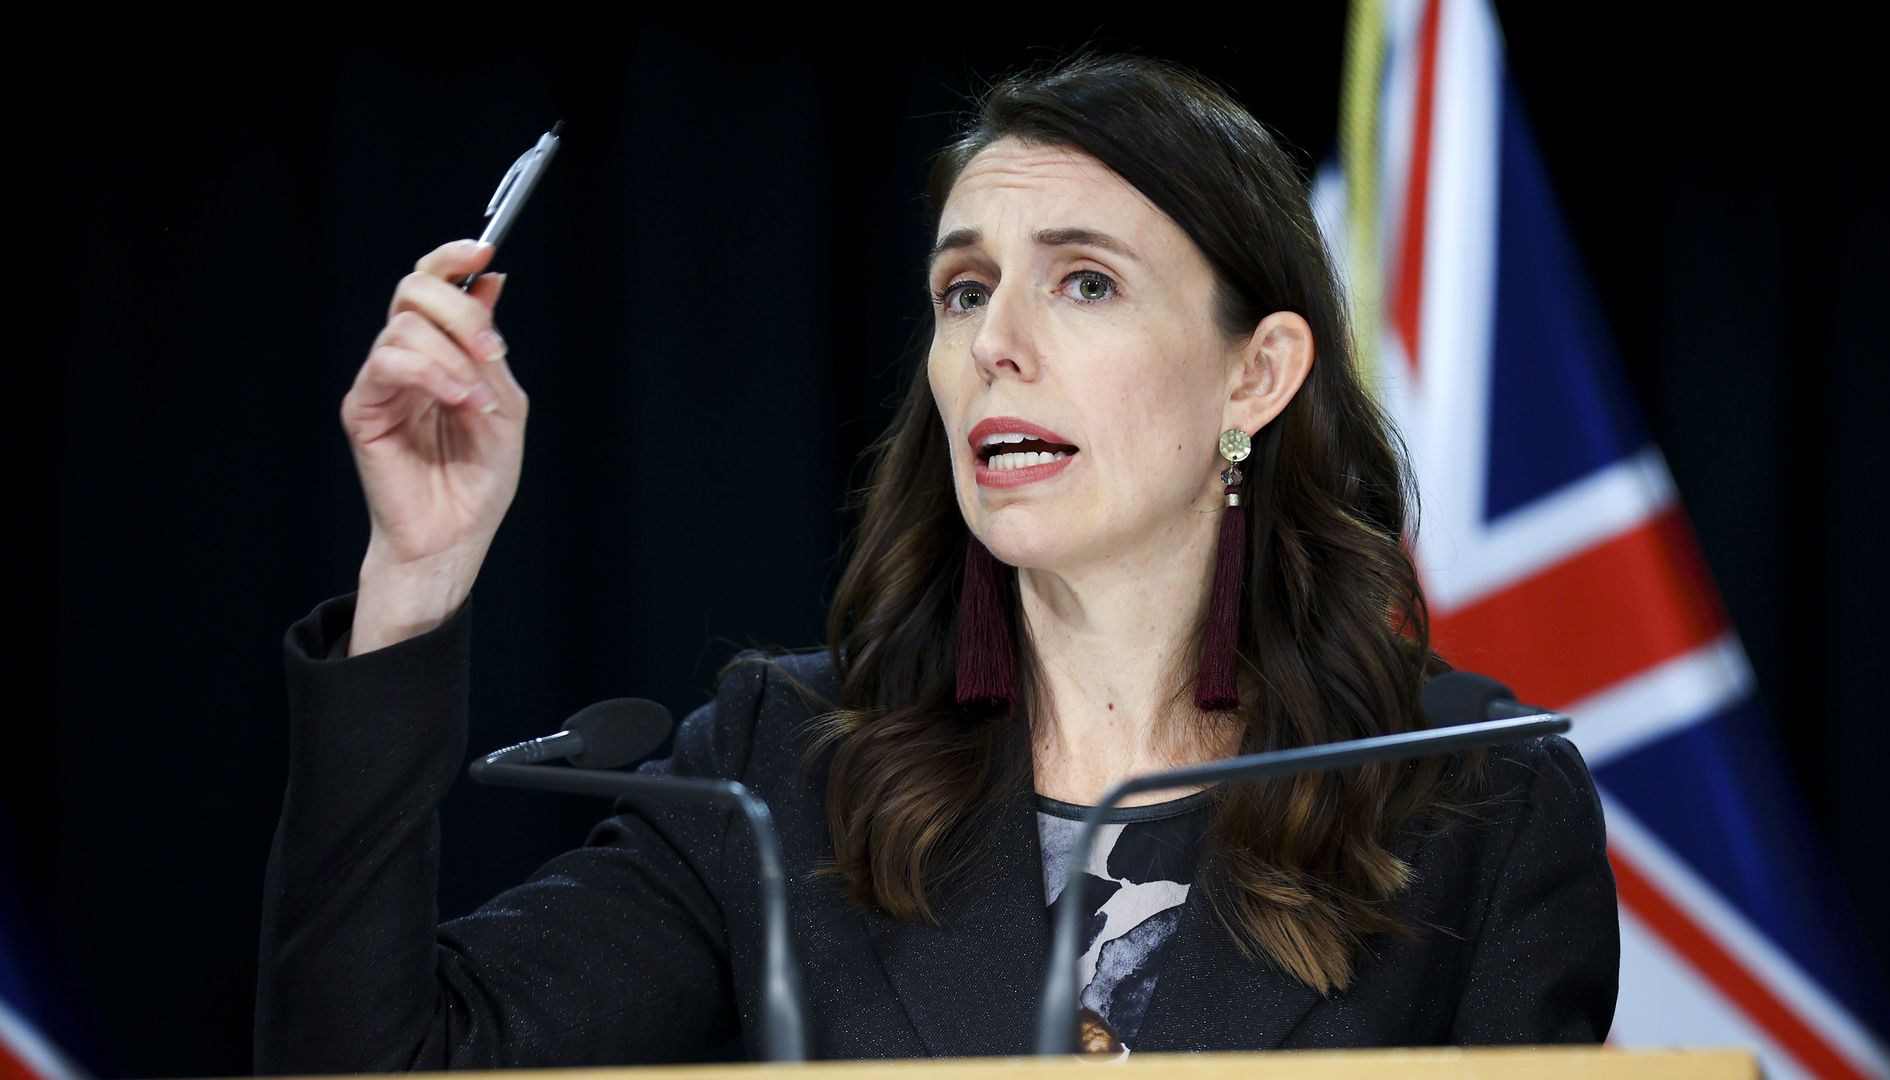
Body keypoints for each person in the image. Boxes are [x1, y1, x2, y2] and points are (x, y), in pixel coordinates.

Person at [255, 51, 1618, 1072]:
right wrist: (415, 581)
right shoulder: (782, 770)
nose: (995, 344)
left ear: (1255, 376)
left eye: (1084, 282)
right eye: (965, 290)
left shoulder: (1473, 797)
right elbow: (373, 1068)